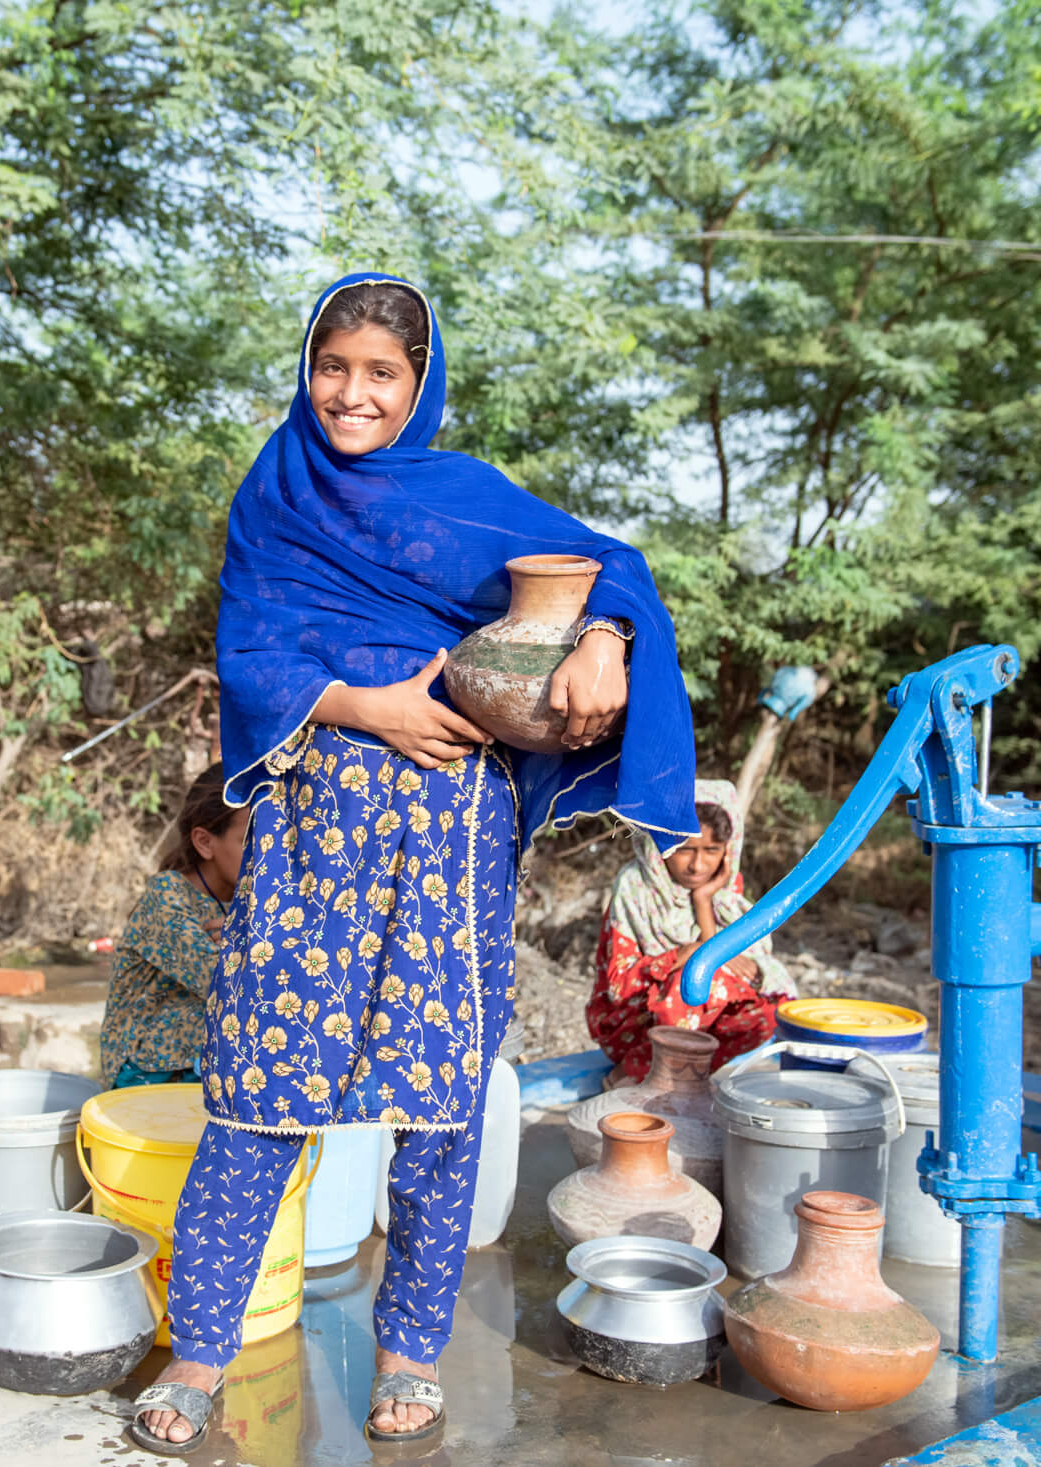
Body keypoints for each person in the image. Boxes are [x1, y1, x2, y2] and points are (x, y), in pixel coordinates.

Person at [126, 274, 699, 1455]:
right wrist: (370, 703)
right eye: (333, 367)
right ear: (307, 368)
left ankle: (410, 1354)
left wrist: (600, 635)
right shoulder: (276, 491)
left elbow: (613, 567)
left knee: (437, 1106)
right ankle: (198, 1353)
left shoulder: (464, 501)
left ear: (419, 382)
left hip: (450, 836)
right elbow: (248, 647)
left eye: (381, 373)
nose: (352, 393)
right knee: (255, 1092)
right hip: (311, 828)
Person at [586, 778, 796, 1076]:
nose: (698, 866)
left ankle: (686, 1076)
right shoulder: (637, 886)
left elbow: (734, 967)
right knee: (693, 979)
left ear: (728, 850)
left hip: (699, 1024)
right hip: (632, 1022)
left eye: (711, 850)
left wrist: (702, 900)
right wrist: (680, 957)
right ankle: (635, 1074)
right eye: (685, 850)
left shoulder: (724, 891)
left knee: (770, 1012)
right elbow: (619, 985)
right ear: (661, 841)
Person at [98, 766, 250, 1088]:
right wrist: (258, 940)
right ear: (204, 842)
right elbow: (224, 985)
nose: (267, 855)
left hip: (201, 1068)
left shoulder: (250, 902)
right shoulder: (168, 895)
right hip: (146, 1076)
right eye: (250, 840)